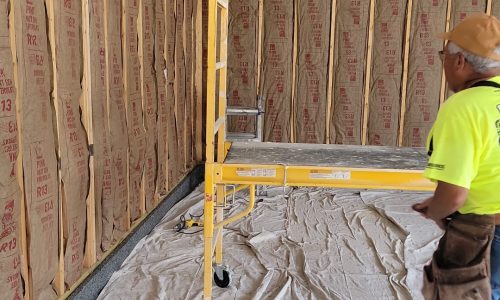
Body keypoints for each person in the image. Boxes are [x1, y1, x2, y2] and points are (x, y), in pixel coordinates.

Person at [412, 13, 500, 300]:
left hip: (489, 238)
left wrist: (438, 212)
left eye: (444, 56)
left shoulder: (463, 107)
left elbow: (452, 197)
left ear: (459, 61)